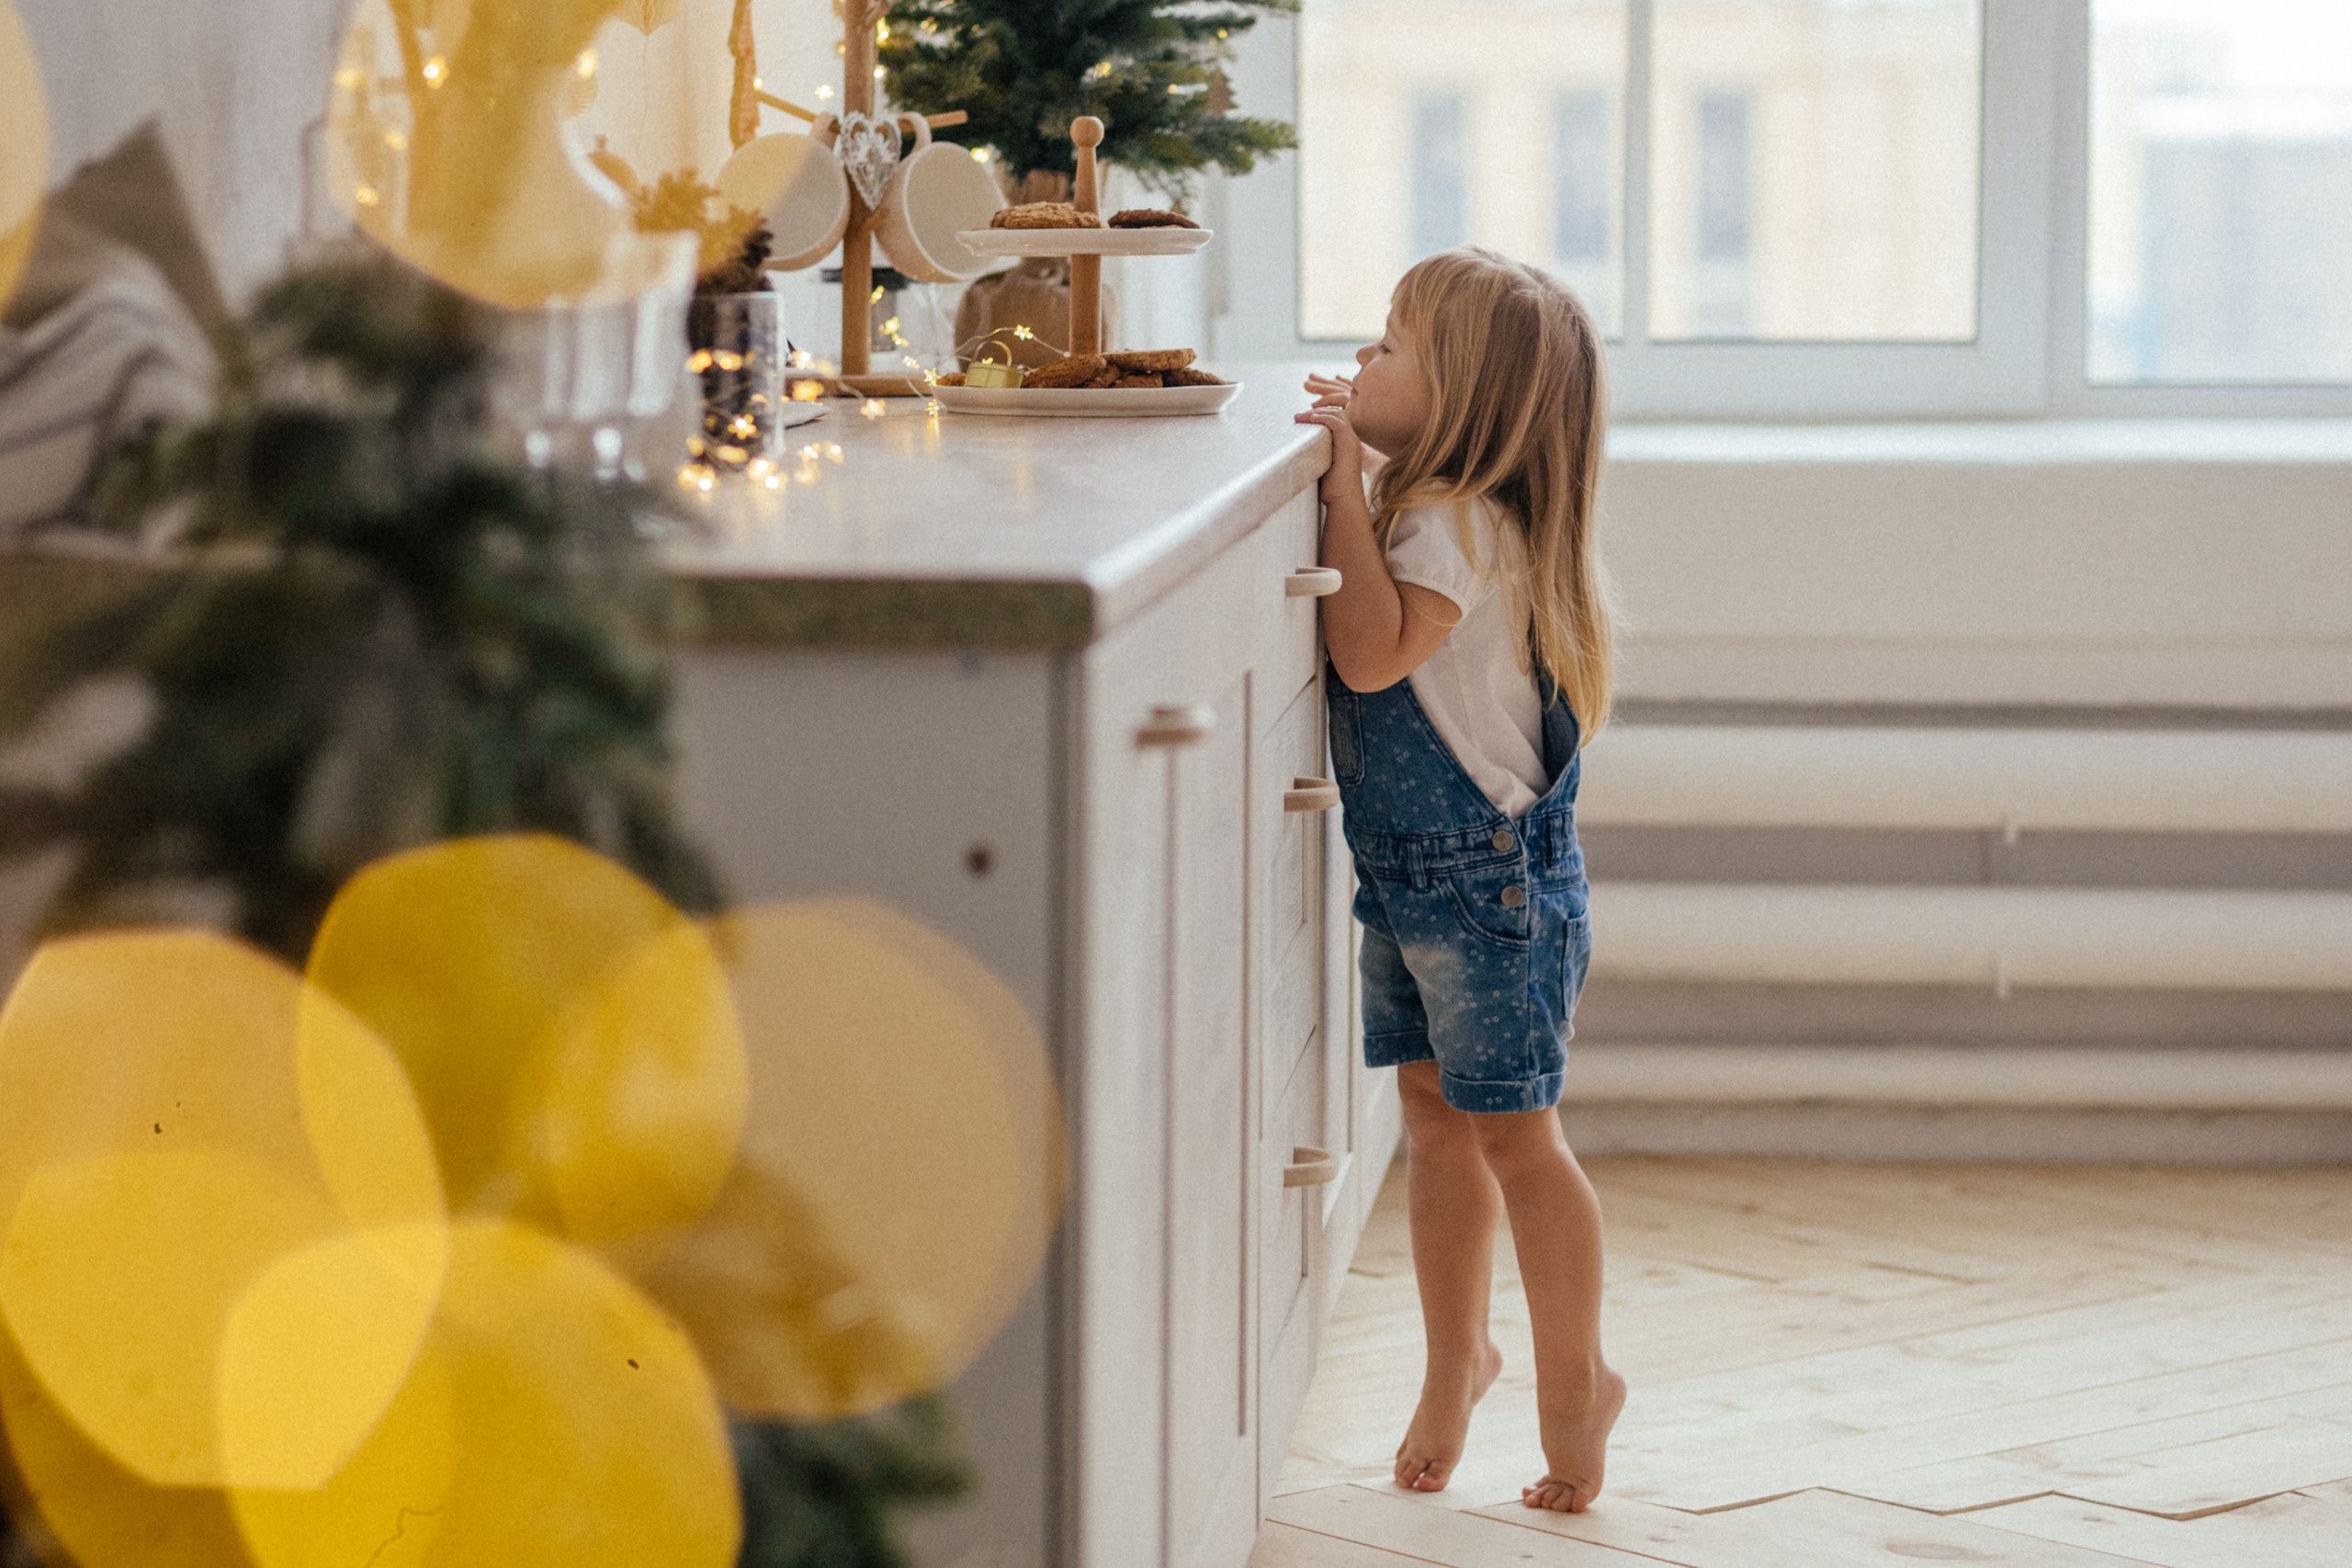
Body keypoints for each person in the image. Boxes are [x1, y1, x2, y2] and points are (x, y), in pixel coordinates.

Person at [1294, 246, 1623, 1513]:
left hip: (1488, 893)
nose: (1364, 359)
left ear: (1462, 398)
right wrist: (1354, 472)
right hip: (1416, 879)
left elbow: (1371, 657)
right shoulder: (1431, 507)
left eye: (1391, 345)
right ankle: (1460, 1362)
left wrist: (1339, 483)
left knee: (1520, 1142)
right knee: (1437, 1122)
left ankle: (1574, 1384)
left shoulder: (1452, 523)